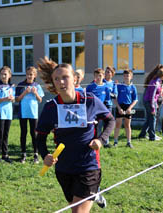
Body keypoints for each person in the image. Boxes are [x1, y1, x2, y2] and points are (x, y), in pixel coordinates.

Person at [36, 57, 115, 212]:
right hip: (64, 168)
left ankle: (93, 191)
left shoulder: (90, 101)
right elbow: (40, 136)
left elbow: (110, 120)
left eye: (65, 77)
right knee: (74, 208)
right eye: (56, 79)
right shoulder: (51, 108)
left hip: (88, 166)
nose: (61, 82)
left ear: (75, 79)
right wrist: (45, 155)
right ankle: (95, 193)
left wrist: (101, 140)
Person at [15, 66, 44, 164]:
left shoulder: (37, 85)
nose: (29, 76)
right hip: (23, 113)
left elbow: (40, 100)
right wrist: (24, 93)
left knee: (34, 134)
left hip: (33, 113)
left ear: (35, 75)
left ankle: (35, 154)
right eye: (27, 74)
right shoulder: (21, 85)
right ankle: (23, 154)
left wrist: (36, 93)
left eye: (31, 74)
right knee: (23, 133)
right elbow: (17, 99)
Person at [139, 64, 163, 141]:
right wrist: (153, 108)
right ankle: (152, 136)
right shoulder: (155, 83)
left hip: (151, 102)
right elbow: (152, 97)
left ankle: (142, 134)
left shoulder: (158, 81)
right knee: (152, 119)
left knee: (149, 119)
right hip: (149, 102)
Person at [86, 68, 111, 148]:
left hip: (102, 109)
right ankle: (93, 140)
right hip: (92, 110)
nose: (98, 77)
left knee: (105, 125)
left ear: (103, 76)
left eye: (100, 75)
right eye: (96, 76)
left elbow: (107, 99)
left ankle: (104, 141)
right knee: (95, 126)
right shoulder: (90, 87)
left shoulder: (106, 88)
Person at [113, 70, 138, 148]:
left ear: (131, 77)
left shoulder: (133, 87)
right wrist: (119, 108)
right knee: (118, 124)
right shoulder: (119, 86)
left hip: (128, 107)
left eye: (128, 76)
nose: (126, 77)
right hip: (120, 106)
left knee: (127, 125)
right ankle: (115, 142)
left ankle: (129, 142)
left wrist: (130, 108)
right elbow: (114, 98)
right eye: (125, 76)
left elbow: (135, 99)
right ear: (123, 77)